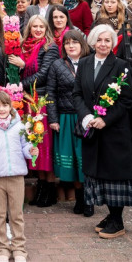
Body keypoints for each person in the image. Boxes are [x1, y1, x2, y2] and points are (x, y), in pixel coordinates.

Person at [74, 24, 132, 240]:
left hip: (113, 131)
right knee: (98, 174)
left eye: (107, 40)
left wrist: (105, 120)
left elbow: (125, 100)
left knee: (114, 176)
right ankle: (110, 216)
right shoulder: (83, 64)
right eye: (99, 40)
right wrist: (87, 117)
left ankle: (117, 221)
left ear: (113, 43)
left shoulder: (122, 66)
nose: (103, 44)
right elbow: (77, 95)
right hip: (91, 127)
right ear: (92, 42)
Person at [0, 88, 39, 262]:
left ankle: (19, 249)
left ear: (11, 106)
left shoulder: (19, 126)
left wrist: (32, 151)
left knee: (16, 215)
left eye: (5, 105)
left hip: (16, 177)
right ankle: (3, 250)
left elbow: (26, 148)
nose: (2, 109)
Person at [45, 30, 93, 218]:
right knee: (71, 160)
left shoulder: (90, 62)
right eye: (67, 43)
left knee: (85, 159)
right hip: (65, 118)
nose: (71, 46)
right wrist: (53, 119)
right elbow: (50, 93)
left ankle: (89, 199)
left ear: (82, 44)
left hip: (86, 118)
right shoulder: (57, 65)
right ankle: (80, 199)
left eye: (74, 42)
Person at [11, 14, 57, 206]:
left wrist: (19, 82)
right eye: (34, 26)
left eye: (41, 26)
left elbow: (43, 75)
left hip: (41, 99)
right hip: (27, 101)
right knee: (33, 143)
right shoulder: (23, 47)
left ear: (46, 29)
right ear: (28, 28)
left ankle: (49, 190)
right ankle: (40, 186)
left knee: (44, 144)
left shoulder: (50, 47)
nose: (37, 30)